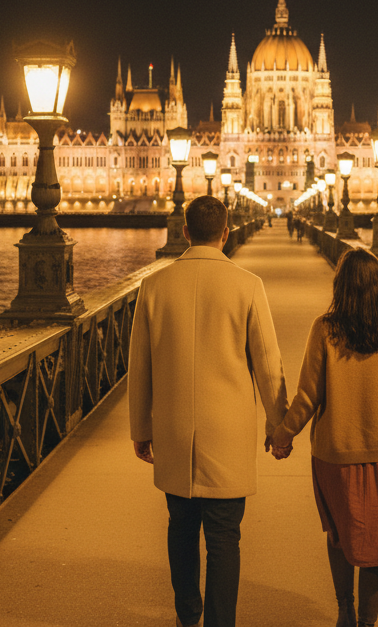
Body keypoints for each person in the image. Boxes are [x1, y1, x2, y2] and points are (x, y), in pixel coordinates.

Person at [129, 194, 289, 627]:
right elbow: (268, 365)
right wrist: (279, 426)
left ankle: (188, 614)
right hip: (228, 433)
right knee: (224, 538)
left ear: (184, 233)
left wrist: (140, 428)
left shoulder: (154, 286)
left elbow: (139, 367)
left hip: (175, 431)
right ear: (226, 233)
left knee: (180, 527)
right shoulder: (248, 285)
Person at [271, 248, 378, 627]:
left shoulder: (325, 329)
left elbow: (308, 396)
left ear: (340, 286)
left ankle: (344, 608)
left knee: (340, 534)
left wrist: (283, 434)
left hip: (335, 454)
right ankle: (366, 622)